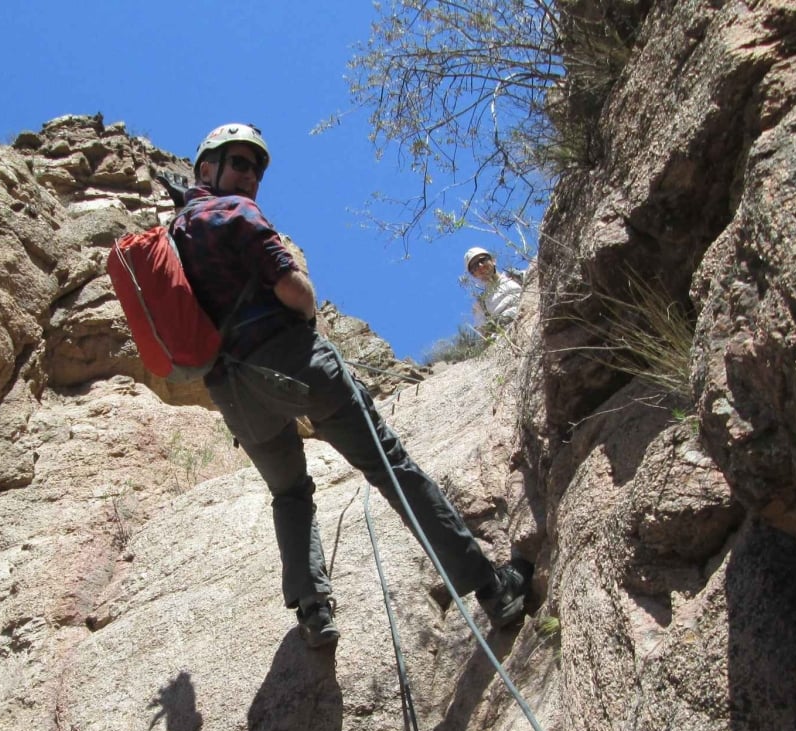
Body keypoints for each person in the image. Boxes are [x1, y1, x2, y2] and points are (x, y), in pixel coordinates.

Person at [170, 123, 530, 648]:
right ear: (208, 168)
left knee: (289, 492)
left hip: (234, 391)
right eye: (239, 163)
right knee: (389, 466)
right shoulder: (234, 212)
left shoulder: (173, 236)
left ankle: (313, 611)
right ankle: (492, 588)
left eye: (256, 169)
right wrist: (306, 307)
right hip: (292, 359)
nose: (250, 177)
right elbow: (292, 289)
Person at [464, 246, 523, 332]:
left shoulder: (515, 276)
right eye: (474, 266)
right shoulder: (481, 305)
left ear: (493, 261)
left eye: (482, 260)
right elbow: (484, 331)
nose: (480, 266)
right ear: (474, 275)